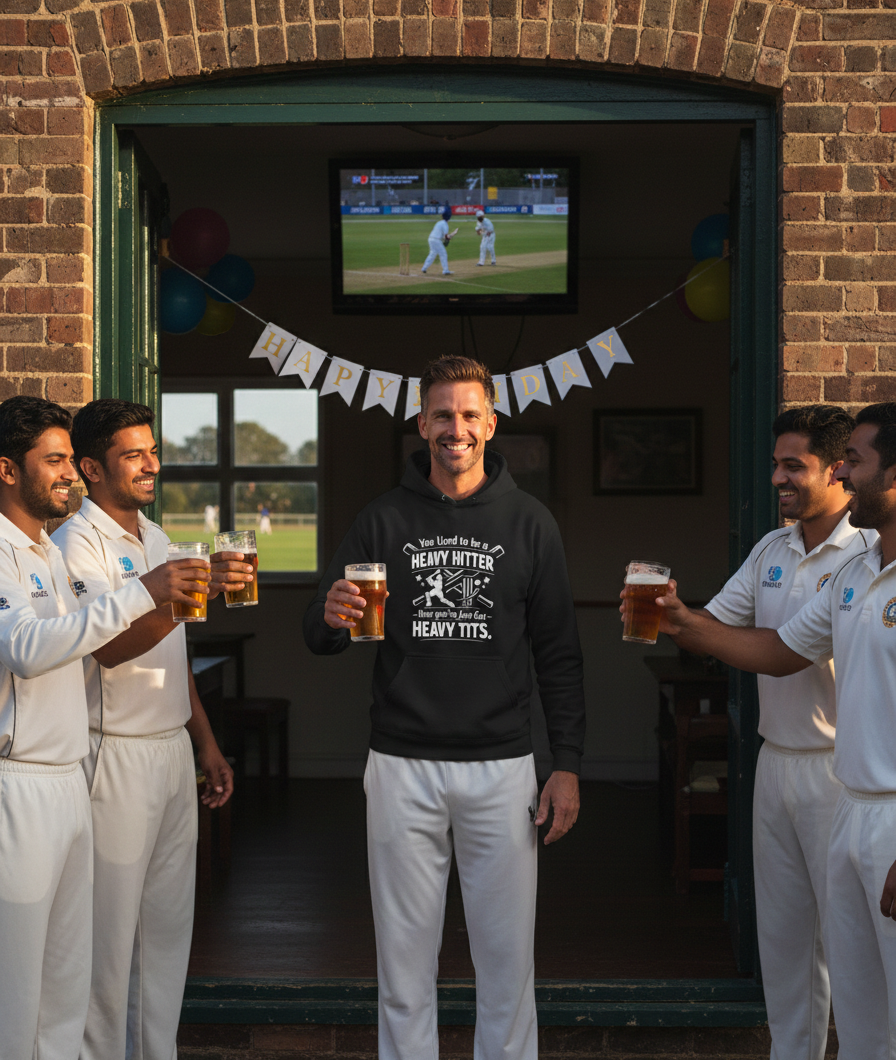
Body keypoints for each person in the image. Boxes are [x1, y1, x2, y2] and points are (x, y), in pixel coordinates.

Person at [304, 355, 585, 1060]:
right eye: (441, 415)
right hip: (401, 764)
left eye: (468, 415)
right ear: (420, 422)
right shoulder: (383, 516)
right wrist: (331, 615)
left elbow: (559, 653)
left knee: (507, 968)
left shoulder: (530, 522)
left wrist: (568, 765)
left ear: (490, 423)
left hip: (503, 768)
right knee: (403, 968)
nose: (454, 428)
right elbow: (319, 631)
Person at [650, 402, 896, 1060]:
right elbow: (751, 641)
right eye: (776, 465)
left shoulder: (865, 553)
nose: (780, 478)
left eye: (798, 466)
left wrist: (688, 624)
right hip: (794, 770)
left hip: (854, 782)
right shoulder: (801, 558)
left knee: (865, 969)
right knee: (801, 952)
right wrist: (676, 618)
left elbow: (778, 646)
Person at [0, 395, 206, 1060]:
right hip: (45, 770)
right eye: (54, 460)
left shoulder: (54, 551)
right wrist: (151, 592)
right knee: (33, 981)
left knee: (81, 973)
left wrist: (204, 739)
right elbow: (46, 649)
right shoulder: (41, 546)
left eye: (66, 459)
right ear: (8, 470)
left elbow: (143, 650)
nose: (65, 474)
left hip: (91, 770)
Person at [52, 399, 239, 1060]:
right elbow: (108, 648)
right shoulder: (73, 544)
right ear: (90, 468)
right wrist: (185, 597)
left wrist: (206, 744)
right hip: (114, 756)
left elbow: (173, 654)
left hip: (170, 754)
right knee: (109, 943)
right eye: (134, 454)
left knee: (165, 932)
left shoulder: (158, 539)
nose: (151, 465)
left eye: (152, 451)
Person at [421, 207, 454, 276]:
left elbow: (442, 236)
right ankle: (445, 270)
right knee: (443, 254)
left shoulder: (439, 222)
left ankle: (424, 268)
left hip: (430, 239)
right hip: (436, 240)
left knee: (432, 253)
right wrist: (449, 238)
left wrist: (448, 237)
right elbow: (445, 237)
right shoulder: (445, 224)